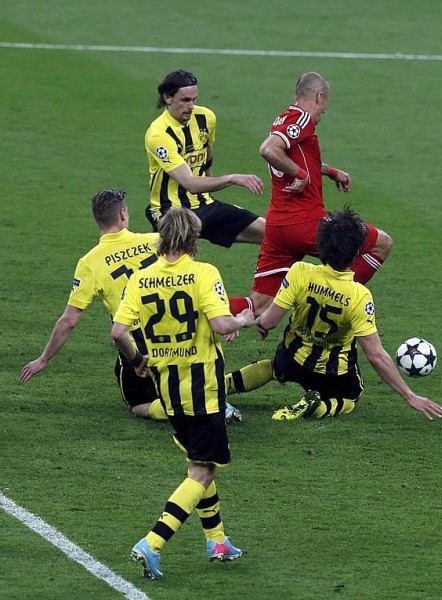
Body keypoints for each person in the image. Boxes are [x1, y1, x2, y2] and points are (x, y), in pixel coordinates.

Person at [20, 188, 265, 423]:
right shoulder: (157, 241)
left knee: (137, 405)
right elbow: (193, 280)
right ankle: (220, 388)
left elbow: (70, 320)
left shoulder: (89, 263)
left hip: (139, 347)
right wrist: (224, 316)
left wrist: (43, 359)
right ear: (123, 214)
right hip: (183, 334)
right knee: (191, 374)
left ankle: (190, 406)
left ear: (98, 220)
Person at [111, 207, 255, 580]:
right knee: (202, 471)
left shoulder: (141, 280)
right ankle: (153, 542)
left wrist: (137, 359)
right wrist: (245, 319)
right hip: (204, 387)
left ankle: (218, 541)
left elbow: (117, 332)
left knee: (199, 464)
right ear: (194, 239)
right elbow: (223, 324)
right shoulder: (204, 273)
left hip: (167, 390)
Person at [253, 206, 442, 422]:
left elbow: (269, 321)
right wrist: (409, 396)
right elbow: (375, 355)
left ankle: (223, 384)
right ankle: (316, 408)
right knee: (351, 396)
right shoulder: (359, 295)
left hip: (291, 358)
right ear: (355, 253)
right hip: (333, 373)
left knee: (273, 368)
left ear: (320, 245)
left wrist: (260, 322)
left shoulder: (299, 271)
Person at [227, 72, 393, 316]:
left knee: (259, 305)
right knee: (382, 244)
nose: (322, 115)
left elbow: (294, 156)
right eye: (324, 109)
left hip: (277, 228)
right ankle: (333, 306)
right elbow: (269, 149)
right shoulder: (302, 118)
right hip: (306, 223)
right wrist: (301, 175)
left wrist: (329, 171)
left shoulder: (284, 119)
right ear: (318, 97)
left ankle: (199, 309)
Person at [145, 69, 266, 248]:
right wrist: (232, 178)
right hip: (171, 212)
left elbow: (206, 157)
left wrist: (209, 186)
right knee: (177, 264)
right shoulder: (159, 134)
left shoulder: (206, 118)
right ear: (167, 98)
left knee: (272, 233)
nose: (192, 106)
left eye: (194, 99)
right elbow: (190, 184)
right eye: (185, 100)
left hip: (204, 204)